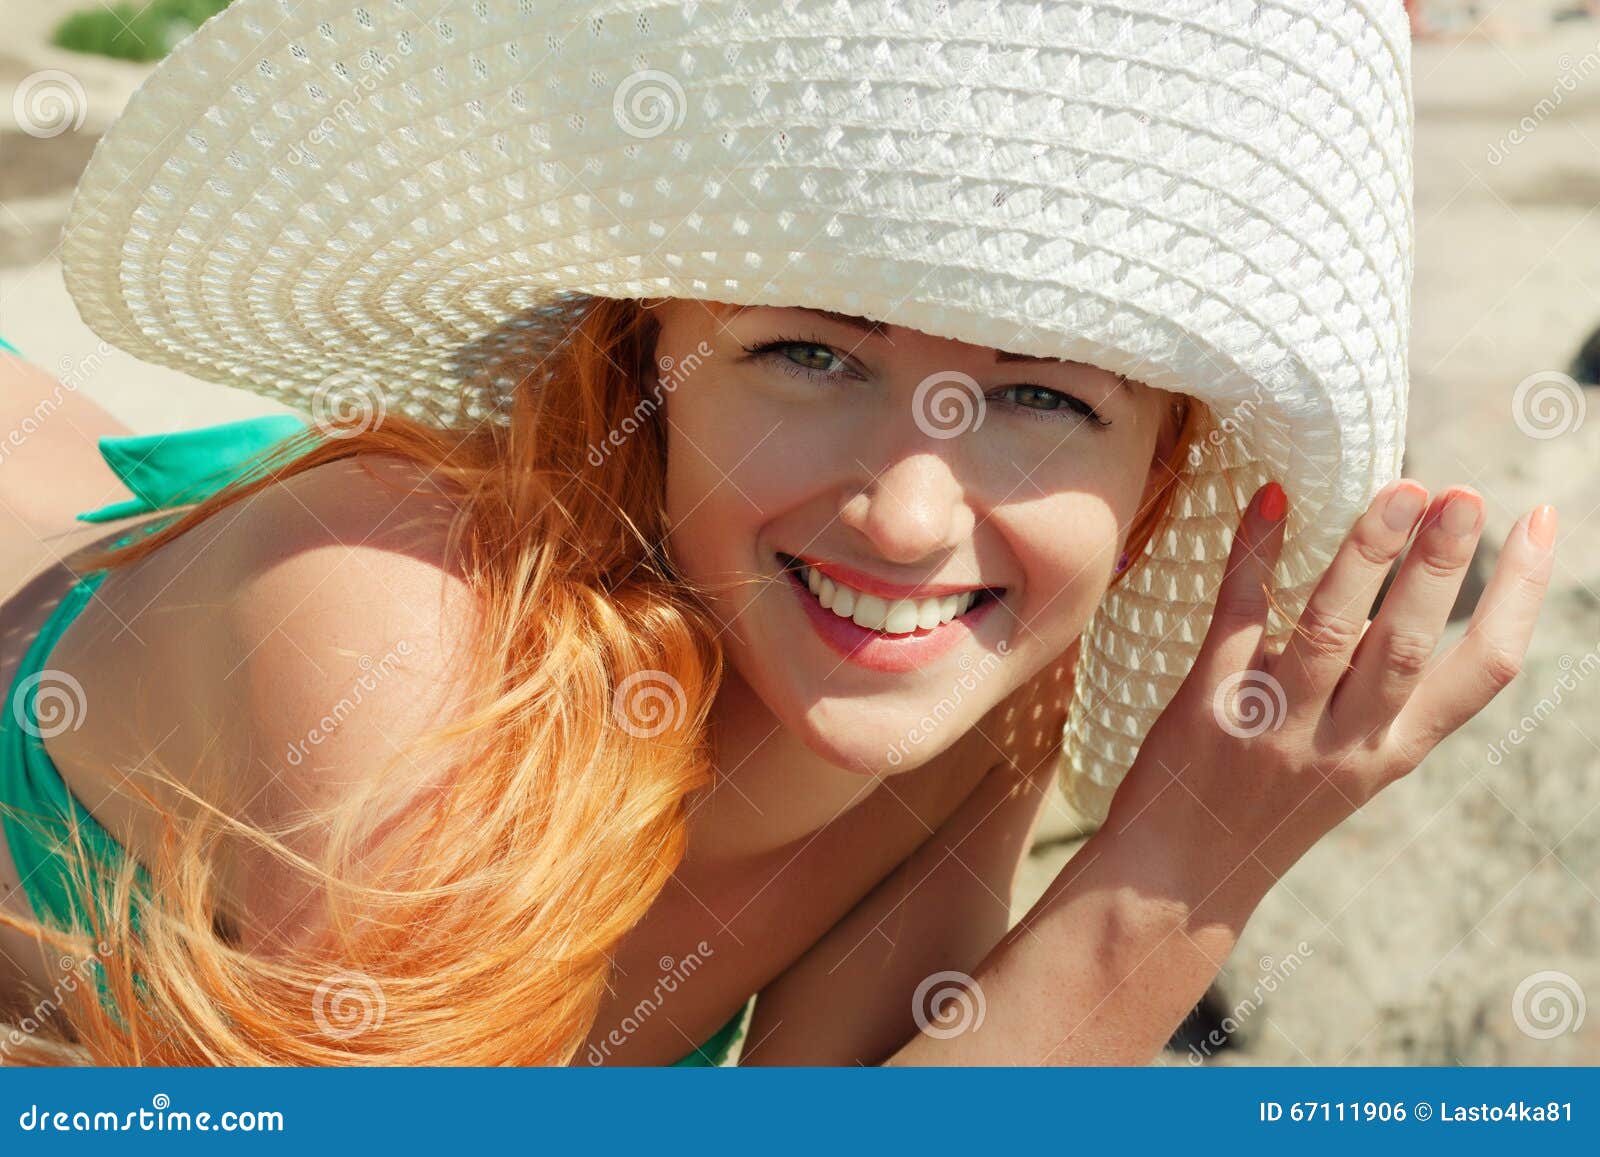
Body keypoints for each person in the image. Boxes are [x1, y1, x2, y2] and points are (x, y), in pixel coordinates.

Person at [0, 0, 1556, 1066]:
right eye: (810, 353)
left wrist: (1189, 859)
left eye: (1041, 396)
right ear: (642, 357)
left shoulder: (963, 694)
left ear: (1155, 479)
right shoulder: (400, 651)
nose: (912, 513)